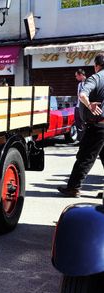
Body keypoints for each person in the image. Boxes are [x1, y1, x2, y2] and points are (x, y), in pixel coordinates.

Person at [58, 53, 104, 197]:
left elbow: (82, 95)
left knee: (85, 157)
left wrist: (89, 105)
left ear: (96, 65)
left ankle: (73, 188)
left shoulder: (96, 77)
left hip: (97, 125)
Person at [74, 68, 86, 137]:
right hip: (78, 106)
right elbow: (78, 95)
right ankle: (80, 139)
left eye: (76, 76)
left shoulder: (89, 82)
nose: (76, 77)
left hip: (84, 107)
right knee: (77, 123)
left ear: (81, 75)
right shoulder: (79, 84)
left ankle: (84, 139)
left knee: (84, 123)